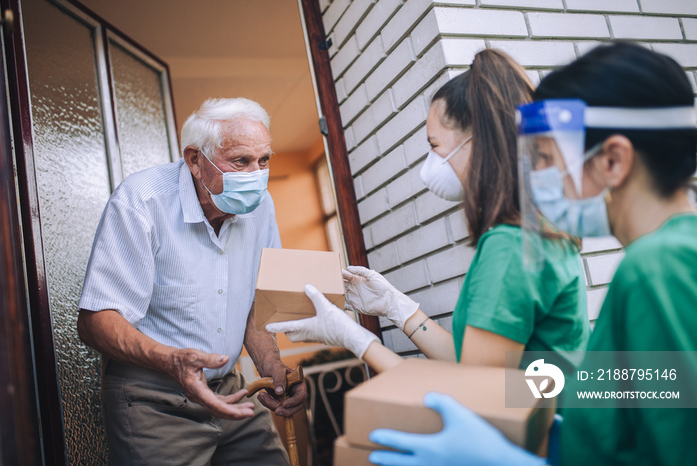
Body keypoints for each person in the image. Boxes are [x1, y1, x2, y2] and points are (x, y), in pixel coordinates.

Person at [363, 42, 697, 465]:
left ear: (613, 160)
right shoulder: (671, 257)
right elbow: (649, 397)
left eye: (545, 159)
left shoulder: (659, 268)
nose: (536, 178)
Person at [267, 49, 589, 376]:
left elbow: (477, 392)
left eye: (434, 146)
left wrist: (354, 338)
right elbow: (473, 362)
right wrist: (396, 306)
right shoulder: (537, 229)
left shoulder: (511, 246)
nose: (430, 164)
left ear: (478, 141)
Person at [77, 97, 307, 465]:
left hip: (228, 388)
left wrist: (273, 368)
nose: (256, 174)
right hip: (153, 400)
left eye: (264, 160)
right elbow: (94, 323)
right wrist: (173, 361)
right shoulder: (142, 201)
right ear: (195, 160)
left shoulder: (261, 207)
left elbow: (252, 303)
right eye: (241, 161)